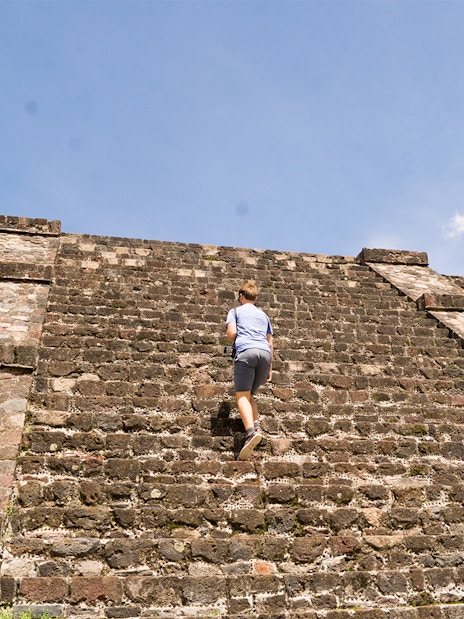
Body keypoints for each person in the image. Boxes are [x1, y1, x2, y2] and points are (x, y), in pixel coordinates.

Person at [225, 281, 274, 460]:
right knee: (250, 394)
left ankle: (250, 433)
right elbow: (270, 342)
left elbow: (231, 334)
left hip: (246, 352)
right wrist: (270, 368)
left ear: (241, 296)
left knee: (242, 396)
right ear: (256, 297)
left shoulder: (235, 311)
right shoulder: (264, 315)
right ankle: (257, 426)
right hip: (265, 355)